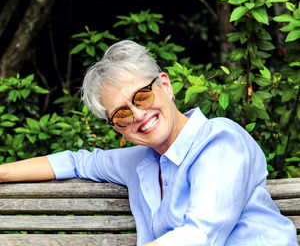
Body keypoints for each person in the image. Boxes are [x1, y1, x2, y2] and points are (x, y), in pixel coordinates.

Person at [0, 40, 298, 246]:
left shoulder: (220, 140)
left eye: (142, 96)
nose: (139, 115)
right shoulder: (140, 161)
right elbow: (76, 161)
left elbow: (201, 236)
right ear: (118, 127)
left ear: (165, 86)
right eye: (121, 113)